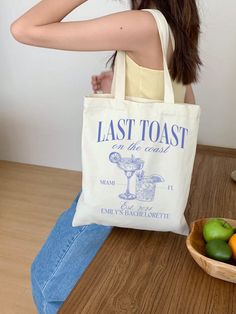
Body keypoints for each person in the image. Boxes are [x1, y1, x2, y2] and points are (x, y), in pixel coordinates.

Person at [10, 0, 202, 313]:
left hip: (115, 196)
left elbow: (24, 29)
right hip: (153, 194)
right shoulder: (177, 27)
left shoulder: (144, 24)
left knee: (48, 284)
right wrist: (121, 87)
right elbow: (184, 102)